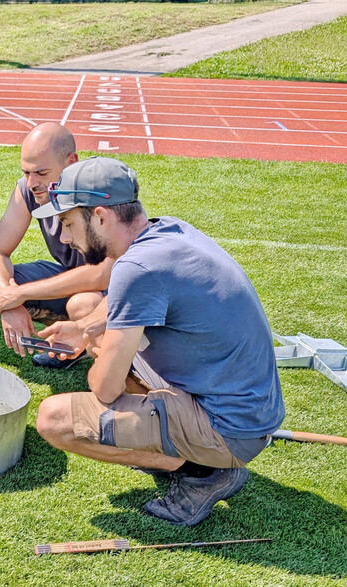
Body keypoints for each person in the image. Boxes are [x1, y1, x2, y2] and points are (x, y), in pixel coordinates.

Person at [32, 157, 284, 527]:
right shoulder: (167, 231)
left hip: (230, 430)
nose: (66, 237)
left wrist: (93, 351)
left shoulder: (135, 270)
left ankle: (203, 471)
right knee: (87, 307)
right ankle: (181, 441)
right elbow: (124, 306)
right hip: (249, 409)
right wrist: (85, 328)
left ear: (100, 216)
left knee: (53, 419)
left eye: (69, 224)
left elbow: (103, 388)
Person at [0, 123, 111, 369]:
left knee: (83, 305)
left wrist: (20, 294)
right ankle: (66, 340)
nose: (32, 182)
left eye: (42, 173)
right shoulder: (27, 188)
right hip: (73, 278)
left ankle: (93, 354)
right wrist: (7, 302)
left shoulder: (97, 191)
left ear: (71, 162)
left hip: (112, 290)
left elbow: (102, 274)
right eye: (26, 172)